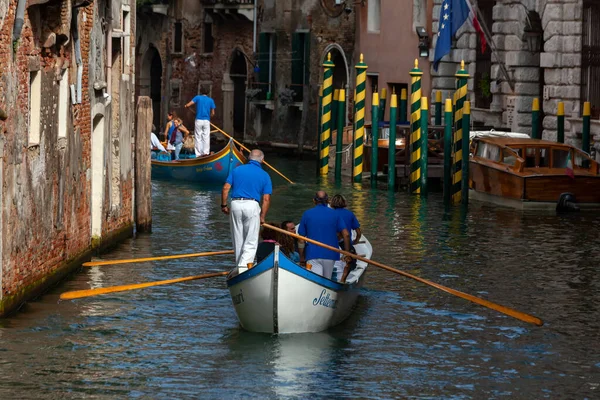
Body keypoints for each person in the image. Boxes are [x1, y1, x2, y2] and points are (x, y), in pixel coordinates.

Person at [221, 149, 272, 271]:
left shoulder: (237, 170)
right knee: (251, 240)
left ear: (249, 158)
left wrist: (223, 205)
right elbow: (266, 199)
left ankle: (240, 266)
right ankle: (243, 268)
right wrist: (262, 217)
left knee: (238, 239)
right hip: (252, 205)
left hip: (235, 204)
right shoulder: (265, 175)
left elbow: (225, 189)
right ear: (262, 160)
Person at [298, 191, 352, 281]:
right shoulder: (335, 214)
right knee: (327, 281)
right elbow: (346, 235)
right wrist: (347, 253)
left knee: (315, 281)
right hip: (331, 254)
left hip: (312, 254)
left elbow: (301, 239)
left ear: (314, 201)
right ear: (328, 200)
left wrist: (302, 257)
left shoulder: (307, 214)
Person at [184, 86, 216, 157]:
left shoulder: (197, 97)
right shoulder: (211, 100)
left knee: (198, 136)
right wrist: (209, 117)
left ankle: (198, 154)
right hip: (206, 120)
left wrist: (187, 107)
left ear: (201, 91)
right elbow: (213, 113)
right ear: (208, 92)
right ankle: (206, 153)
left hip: (198, 119)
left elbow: (188, 105)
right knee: (206, 136)